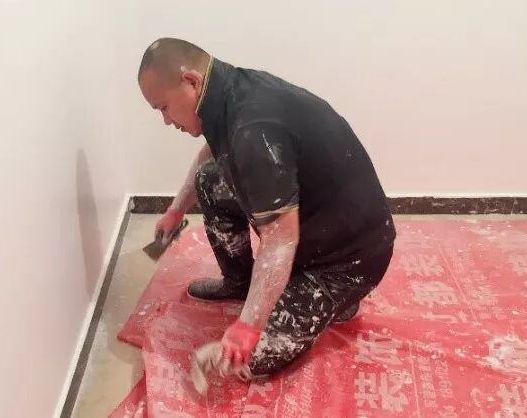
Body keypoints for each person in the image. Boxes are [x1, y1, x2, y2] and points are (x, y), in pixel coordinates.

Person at [138, 37, 396, 377]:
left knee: (245, 358)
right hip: (315, 223)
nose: (166, 121)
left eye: (163, 108)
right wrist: (176, 210)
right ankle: (240, 283)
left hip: (347, 260)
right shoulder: (227, 91)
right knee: (209, 180)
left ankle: (338, 298)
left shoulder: (253, 129)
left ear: (191, 81)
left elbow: (280, 241)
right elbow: (213, 153)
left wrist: (247, 328)